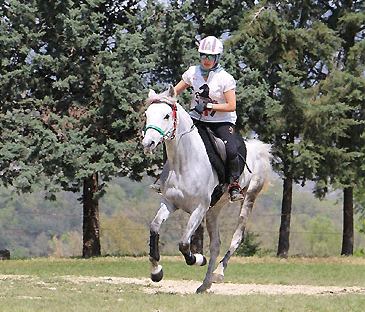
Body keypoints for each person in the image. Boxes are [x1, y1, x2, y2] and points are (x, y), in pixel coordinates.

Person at [151, 36, 244, 202]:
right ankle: (164, 176)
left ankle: (234, 185)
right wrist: (159, 101)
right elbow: (174, 92)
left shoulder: (225, 79)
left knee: (230, 150)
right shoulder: (192, 73)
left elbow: (231, 106)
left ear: (218, 58)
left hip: (221, 121)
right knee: (171, 139)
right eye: (203, 55)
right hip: (197, 119)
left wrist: (209, 107)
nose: (206, 60)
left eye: (211, 56)